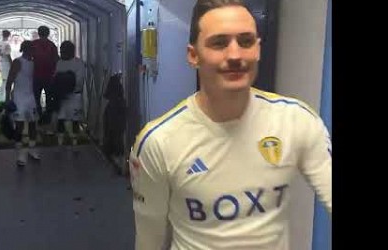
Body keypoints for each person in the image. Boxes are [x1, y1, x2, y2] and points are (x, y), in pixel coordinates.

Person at [128, 0, 332, 249]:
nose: (235, 55)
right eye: (219, 43)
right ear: (193, 55)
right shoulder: (159, 142)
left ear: (257, 49)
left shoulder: (296, 121)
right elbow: (149, 240)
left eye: (245, 41)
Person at [5, 40, 41, 166]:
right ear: (25, 49)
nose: (33, 51)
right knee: (19, 126)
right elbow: (9, 81)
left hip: (30, 97)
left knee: (32, 124)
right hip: (19, 97)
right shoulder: (18, 62)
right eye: (31, 49)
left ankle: (32, 149)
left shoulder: (32, 62)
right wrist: (7, 99)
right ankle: (20, 154)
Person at [53, 40, 86, 149]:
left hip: (74, 96)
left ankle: (75, 142)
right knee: (61, 118)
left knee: (75, 119)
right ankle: (60, 141)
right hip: (62, 97)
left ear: (71, 51)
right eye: (61, 51)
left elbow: (79, 80)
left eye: (64, 51)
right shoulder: (60, 63)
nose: (62, 53)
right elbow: (56, 77)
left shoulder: (78, 63)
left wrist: (68, 84)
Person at [31, 25, 59, 123]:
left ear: (39, 33)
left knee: (36, 98)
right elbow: (56, 61)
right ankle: (47, 118)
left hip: (36, 76)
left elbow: (29, 58)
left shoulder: (33, 44)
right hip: (49, 76)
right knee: (49, 98)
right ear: (48, 33)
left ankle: (38, 117)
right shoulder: (52, 45)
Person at [0, 30, 12, 102]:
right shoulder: (7, 44)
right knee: (6, 80)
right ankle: (5, 96)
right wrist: (12, 63)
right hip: (6, 63)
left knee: (4, 80)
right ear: (9, 35)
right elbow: (8, 55)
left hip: (1, 62)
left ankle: (2, 95)